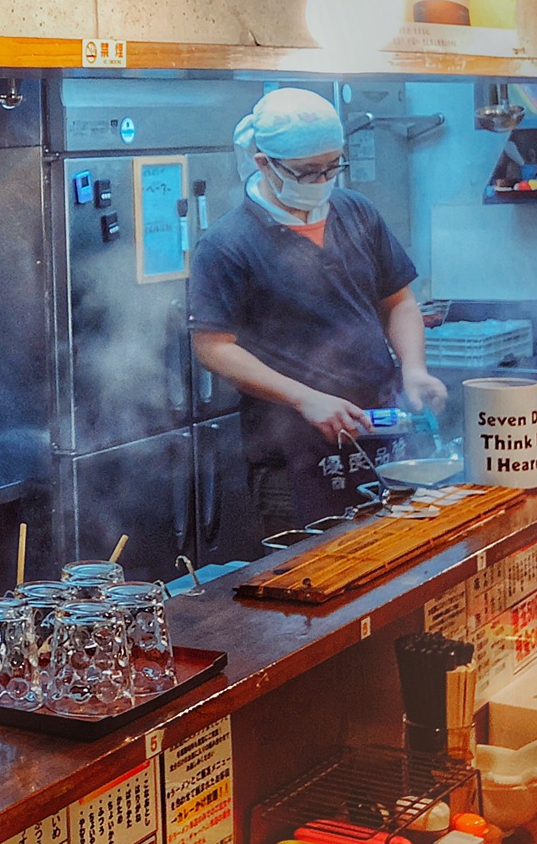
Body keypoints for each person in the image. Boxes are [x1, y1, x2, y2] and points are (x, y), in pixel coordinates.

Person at [188, 88, 446, 537]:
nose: (324, 178)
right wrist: (307, 399)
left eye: (333, 166)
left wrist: (415, 369)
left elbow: (398, 301)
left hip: (382, 436)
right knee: (315, 587)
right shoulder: (228, 244)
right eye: (309, 171)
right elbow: (213, 348)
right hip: (292, 455)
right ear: (263, 162)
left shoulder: (357, 213)